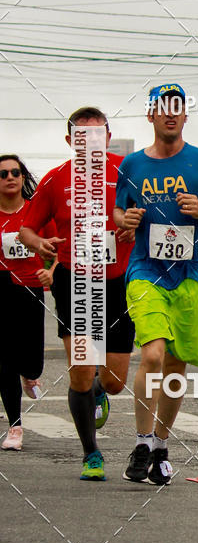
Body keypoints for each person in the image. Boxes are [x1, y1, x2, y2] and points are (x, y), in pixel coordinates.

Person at [114, 83, 198, 486]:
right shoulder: (132, 165)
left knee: (177, 364)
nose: (170, 113)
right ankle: (142, 442)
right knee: (152, 356)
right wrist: (125, 222)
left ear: (185, 116)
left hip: (190, 276)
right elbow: (119, 212)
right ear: (150, 115)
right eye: (162, 107)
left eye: (177, 108)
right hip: (146, 272)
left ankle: (162, 446)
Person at [20, 108, 135, 480]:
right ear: (70, 141)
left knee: (115, 383)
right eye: (83, 137)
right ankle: (91, 454)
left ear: (108, 136)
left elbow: (149, 213)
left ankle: (101, 390)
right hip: (77, 283)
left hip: (121, 281)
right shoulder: (55, 180)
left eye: (98, 135)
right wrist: (42, 243)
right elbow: (26, 231)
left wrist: (137, 226)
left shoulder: (129, 171)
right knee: (81, 373)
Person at [0, 155, 57, 451]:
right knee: (5, 359)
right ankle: (15, 426)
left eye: (16, 172)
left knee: (32, 361)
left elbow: (61, 247)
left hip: (31, 288)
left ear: (23, 177)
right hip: (1, 287)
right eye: (3, 173)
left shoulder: (36, 213)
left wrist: (50, 270)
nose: (10, 177)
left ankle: (30, 375)